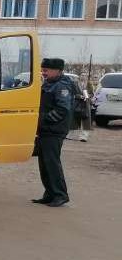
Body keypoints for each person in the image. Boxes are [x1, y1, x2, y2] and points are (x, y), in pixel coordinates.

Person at [32, 57, 74, 207]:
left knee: (52, 163)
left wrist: (44, 120)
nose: (43, 73)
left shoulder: (62, 86)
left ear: (58, 71)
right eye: (42, 70)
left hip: (54, 131)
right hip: (46, 130)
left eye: (46, 70)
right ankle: (49, 194)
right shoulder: (50, 83)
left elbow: (62, 109)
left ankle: (60, 195)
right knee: (44, 164)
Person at [67, 72, 91, 142]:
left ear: (87, 77)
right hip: (76, 103)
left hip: (86, 104)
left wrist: (88, 96)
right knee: (73, 119)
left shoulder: (89, 84)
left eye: (85, 75)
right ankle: (69, 135)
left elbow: (92, 93)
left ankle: (84, 137)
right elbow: (72, 93)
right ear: (79, 76)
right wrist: (79, 96)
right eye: (82, 75)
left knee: (86, 120)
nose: (83, 77)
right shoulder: (75, 83)